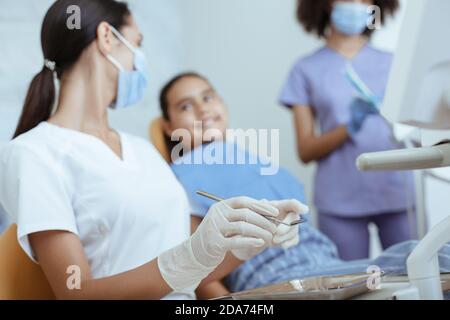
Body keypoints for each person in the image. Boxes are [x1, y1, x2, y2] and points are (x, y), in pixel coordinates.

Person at [0, 0, 302, 300]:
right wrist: (190, 258)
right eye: (137, 44)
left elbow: (183, 273)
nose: (140, 60)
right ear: (108, 38)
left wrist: (244, 244)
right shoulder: (34, 153)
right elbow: (75, 293)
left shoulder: (142, 150)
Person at [159, 72, 450, 298]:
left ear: (222, 103)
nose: (201, 108)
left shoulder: (254, 159)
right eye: (185, 105)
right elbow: (197, 270)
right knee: (429, 256)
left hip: (324, 263)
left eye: (208, 97)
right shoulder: (181, 176)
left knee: (425, 258)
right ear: (170, 127)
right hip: (280, 275)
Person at [279, 0, 416, 261]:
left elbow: (420, 128)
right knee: (348, 283)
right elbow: (305, 150)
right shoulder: (305, 70)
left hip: (397, 190)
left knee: (419, 275)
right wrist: (349, 127)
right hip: (339, 200)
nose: (355, 4)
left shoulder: (395, 63)